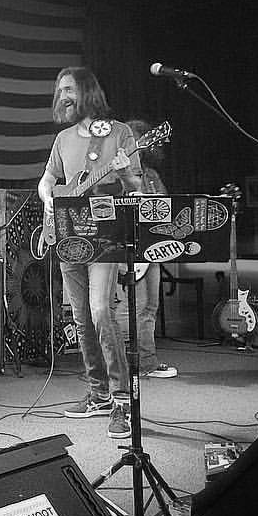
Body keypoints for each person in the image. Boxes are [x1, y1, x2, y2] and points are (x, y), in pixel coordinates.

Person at [37, 67, 143, 440]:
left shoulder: (119, 133)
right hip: (68, 236)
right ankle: (98, 394)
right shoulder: (63, 139)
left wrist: (126, 174)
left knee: (100, 311)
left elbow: (137, 187)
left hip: (106, 237)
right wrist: (49, 201)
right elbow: (47, 181)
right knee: (81, 318)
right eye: (59, 90)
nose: (62, 96)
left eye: (68, 89)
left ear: (86, 91)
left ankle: (122, 400)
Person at [116, 119, 178, 379]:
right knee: (130, 308)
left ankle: (147, 363)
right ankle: (122, 364)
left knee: (150, 307)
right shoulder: (118, 173)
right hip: (129, 247)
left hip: (152, 247)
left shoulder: (151, 175)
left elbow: (166, 208)